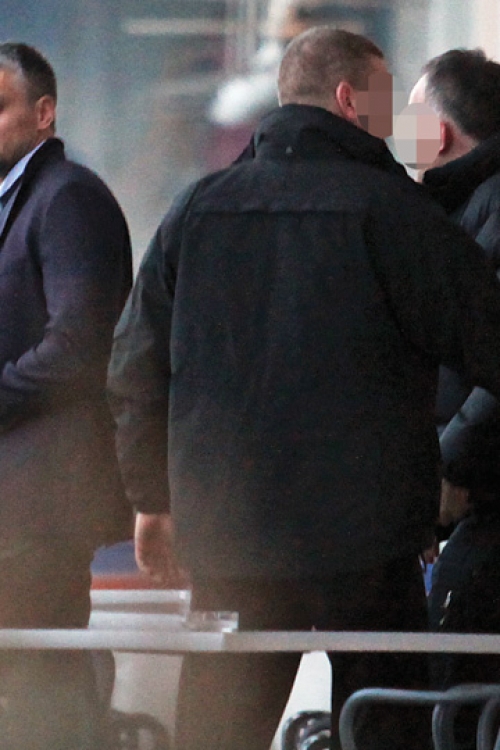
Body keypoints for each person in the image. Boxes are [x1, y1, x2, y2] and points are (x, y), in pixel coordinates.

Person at [108, 27, 500, 750]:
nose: (396, 121)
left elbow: (135, 364)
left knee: (220, 734)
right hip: (371, 540)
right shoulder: (395, 213)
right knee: (383, 727)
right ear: (349, 100)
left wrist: (150, 499)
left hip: (234, 535)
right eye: (386, 98)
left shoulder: (196, 210)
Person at [0, 42, 133, 749]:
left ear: (44, 112)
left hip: (41, 510)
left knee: (40, 697)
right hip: (17, 510)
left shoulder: (69, 197)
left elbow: (80, 348)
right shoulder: (19, 202)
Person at [409, 50, 500, 747]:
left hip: (485, 502)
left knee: (457, 704)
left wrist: (449, 465)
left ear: (438, 133)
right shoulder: (469, 205)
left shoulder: (485, 209)